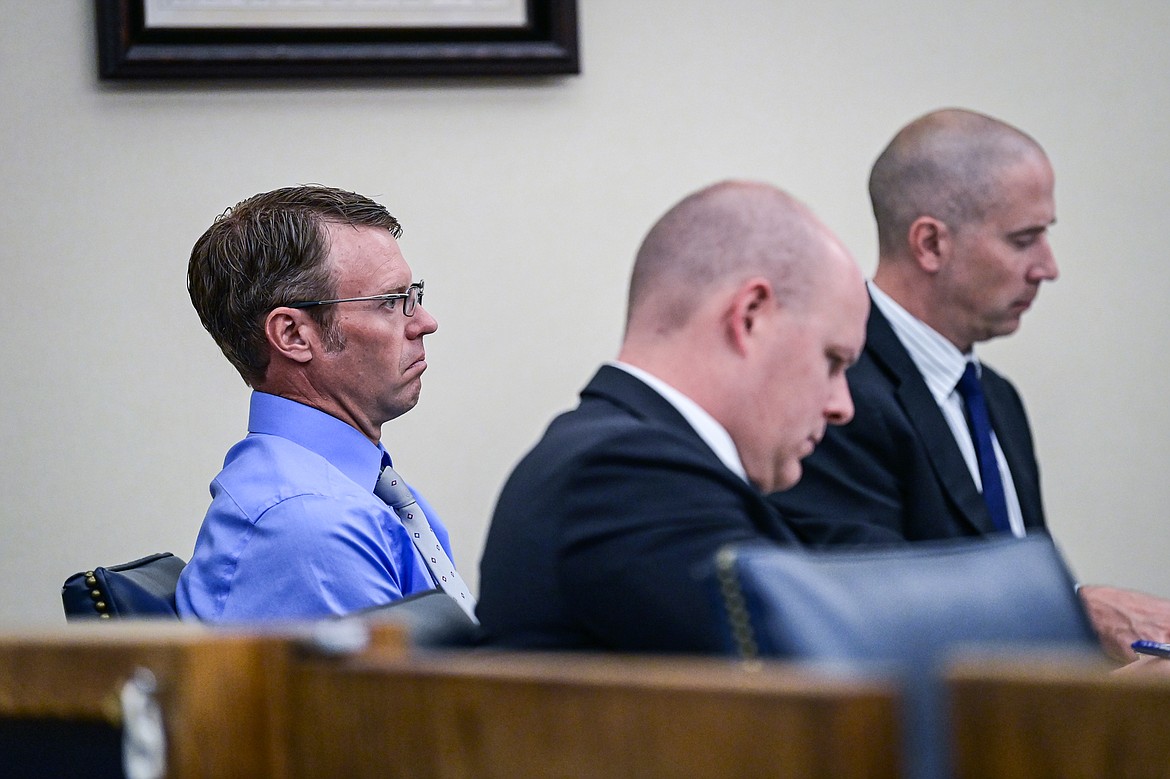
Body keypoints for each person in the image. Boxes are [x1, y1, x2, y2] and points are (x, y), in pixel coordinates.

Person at [768, 108, 1170, 662]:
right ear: (931, 243)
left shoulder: (997, 398)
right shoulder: (836, 396)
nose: (1048, 267)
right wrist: (1079, 609)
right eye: (1024, 239)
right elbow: (871, 603)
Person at [476, 180, 869, 651]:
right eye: (833, 360)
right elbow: (814, 670)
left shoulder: (628, 462)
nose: (841, 405)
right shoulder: (624, 476)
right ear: (750, 317)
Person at [177, 184, 468, 623]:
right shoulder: (309, 523)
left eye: (415, 295)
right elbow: (417, 694)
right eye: (391, 302)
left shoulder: (355, 489)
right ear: (293, 335)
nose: (425, 322)